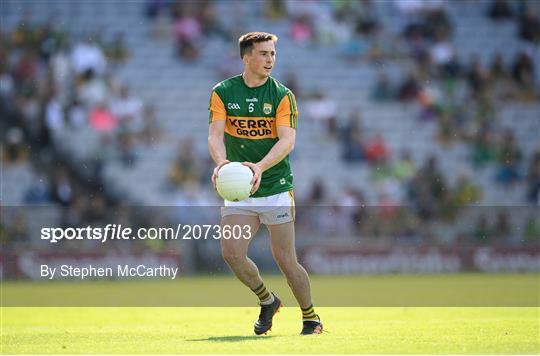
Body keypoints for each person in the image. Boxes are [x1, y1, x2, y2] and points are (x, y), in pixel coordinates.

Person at [207, 32, 323, 335]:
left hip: (274, 186)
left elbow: (288, 141)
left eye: (272, 53)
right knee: (231, 254)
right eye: (263, 54)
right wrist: (221, 163)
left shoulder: (282, 95)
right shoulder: (223, 91)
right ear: (246, 57)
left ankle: (311, 317)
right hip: (240, 190)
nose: (270, 59)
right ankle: (267, 300)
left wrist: (259, 167)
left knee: (286, 260)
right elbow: (215, 135)